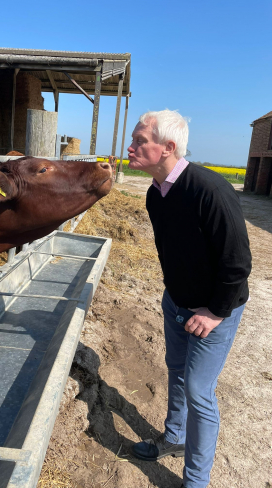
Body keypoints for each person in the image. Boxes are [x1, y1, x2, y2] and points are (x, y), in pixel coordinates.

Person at [127, 110, 252, 488]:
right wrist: (176, 298)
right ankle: (174, 438)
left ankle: (196, 481)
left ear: (167, 147)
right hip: (177, 303)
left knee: (198, 389)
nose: (129, 147)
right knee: (176, 372)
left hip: (214, 310)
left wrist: (214, 312)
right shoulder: (156, 193)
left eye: (138, 140)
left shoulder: (209, 190)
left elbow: (237, 264)